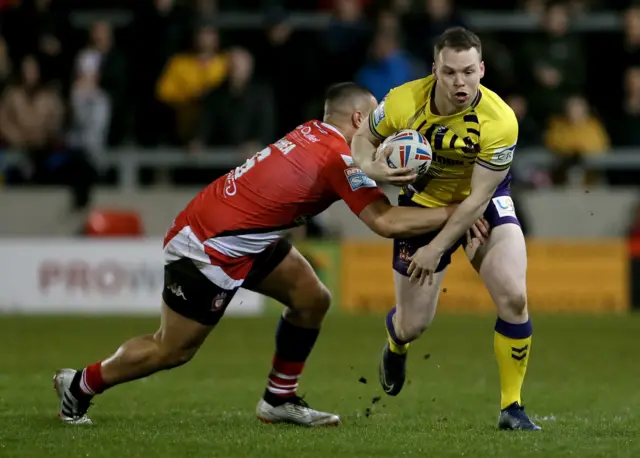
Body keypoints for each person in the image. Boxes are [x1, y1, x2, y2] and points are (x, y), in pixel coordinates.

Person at [53, 82, 489, 427]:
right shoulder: (339, 156)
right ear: (358, 117)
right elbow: (386, 223)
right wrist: (459, 212)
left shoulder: (315, 134)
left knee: (311, 299)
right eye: (373, 118)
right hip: (209, 247)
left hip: (245, 237)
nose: (380, 127)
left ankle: (278, 399)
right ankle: (81, 384)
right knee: (172, 349)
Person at [351, 27, 540, 431]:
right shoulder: (403, 100)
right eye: (451, 72)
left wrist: (438, 247)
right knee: (413, 324)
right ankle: (395, 343)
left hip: (480, 201)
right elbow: (362, 138)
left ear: (482, 69)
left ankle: (512, 407)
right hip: (422, 205)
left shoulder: (501, 120)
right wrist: (373, 168)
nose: (461, 82)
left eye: (469, 71)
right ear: (435, 69)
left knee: (515, 296)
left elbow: (477, 198)